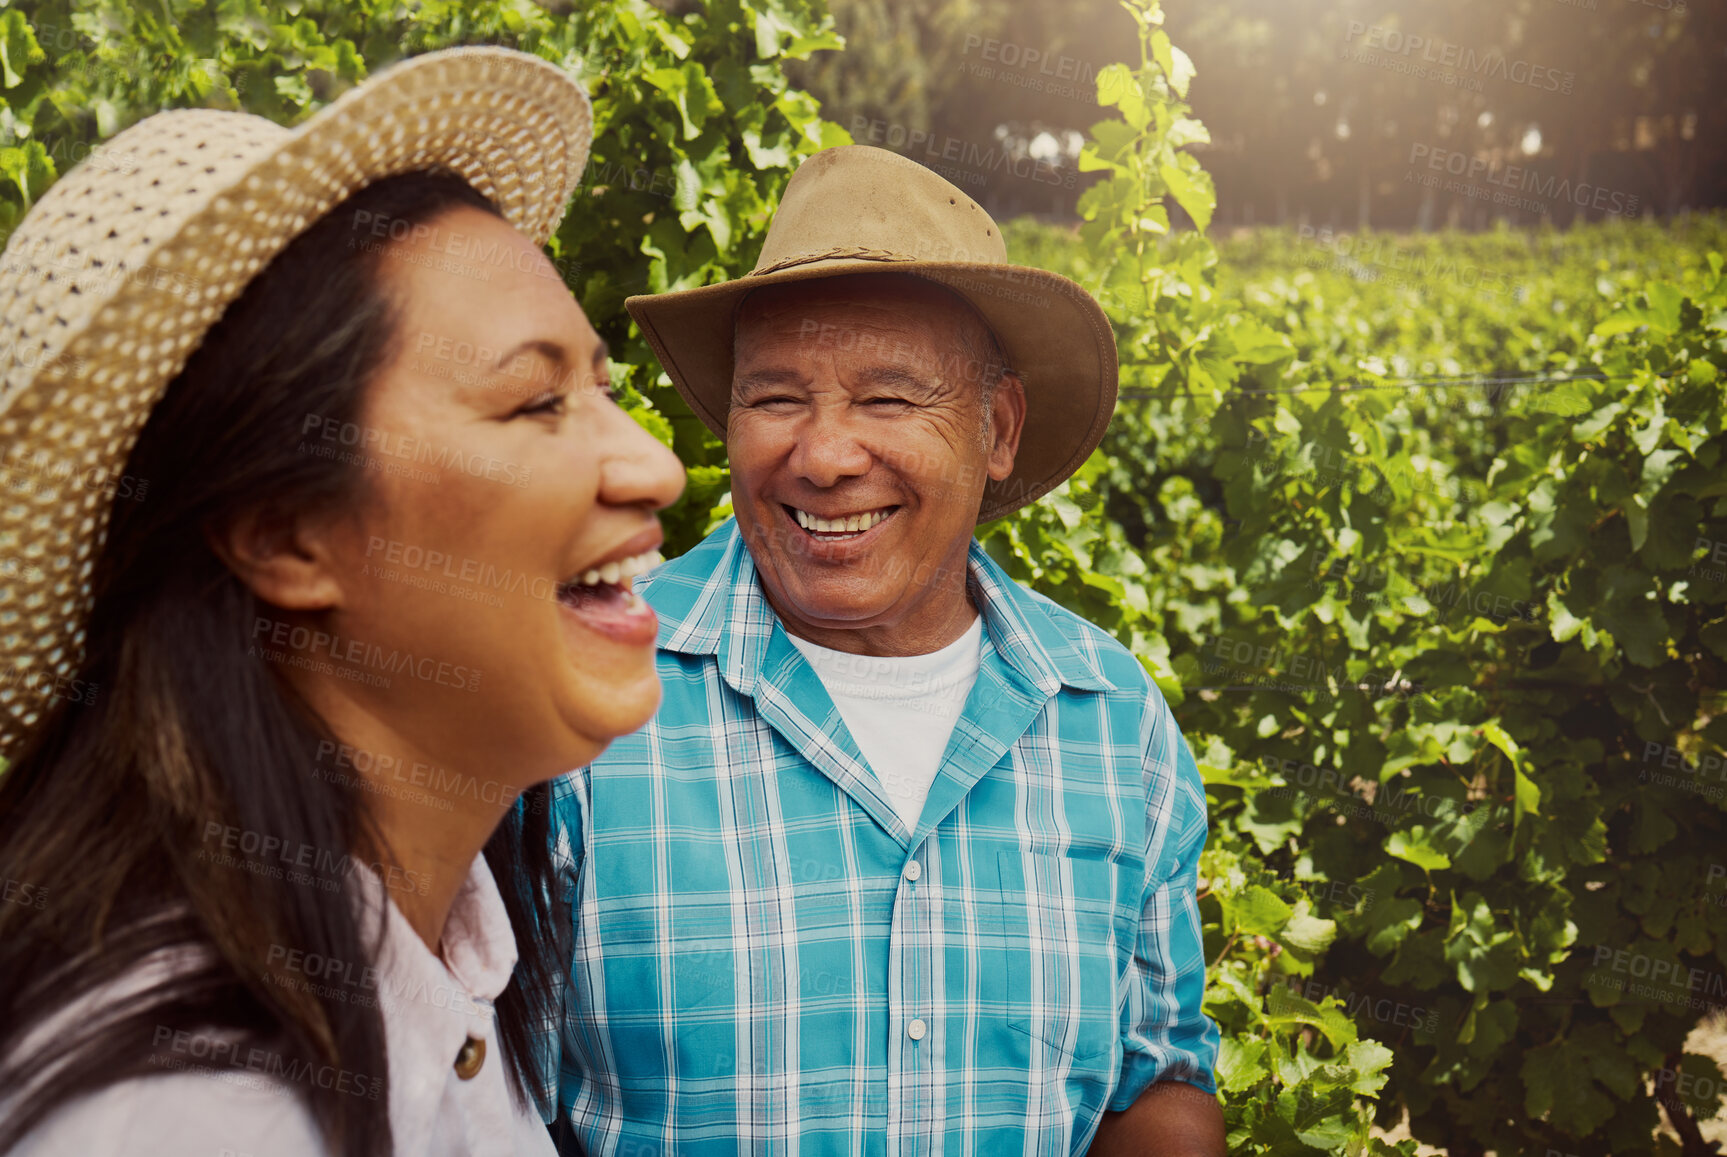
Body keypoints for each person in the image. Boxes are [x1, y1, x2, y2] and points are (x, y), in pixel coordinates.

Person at [0, 48, 684, 1157]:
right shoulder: (189, 1117)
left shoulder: (444, 963)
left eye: (602, 389)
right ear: (283, 534)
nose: (656, 468)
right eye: (534, 401)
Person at [543, 145, 1224, 1155]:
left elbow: (1155, 1074)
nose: (821, 456)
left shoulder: (1109, 719)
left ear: (996, 429)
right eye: (774, 397)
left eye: (888, 400)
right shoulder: (581, 685)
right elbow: (474, 1088)